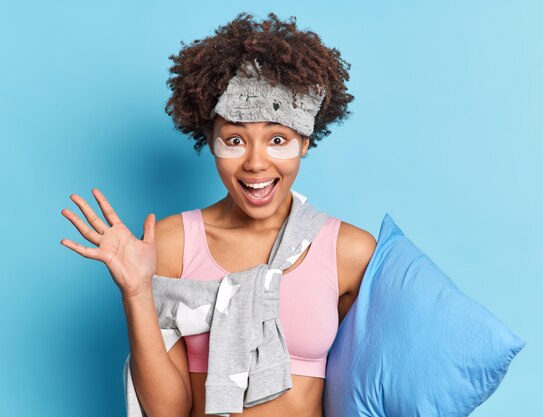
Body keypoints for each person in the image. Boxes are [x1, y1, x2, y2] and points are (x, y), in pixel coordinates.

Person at [61, 12, 377, 417]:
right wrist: (137, 293)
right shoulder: (173, 242)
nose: (256, 163)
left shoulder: (348, 251)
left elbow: (367, 387)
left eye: (277, 138)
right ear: (209, 140)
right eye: (234, 140)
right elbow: (167, 411)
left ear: (305, 142)